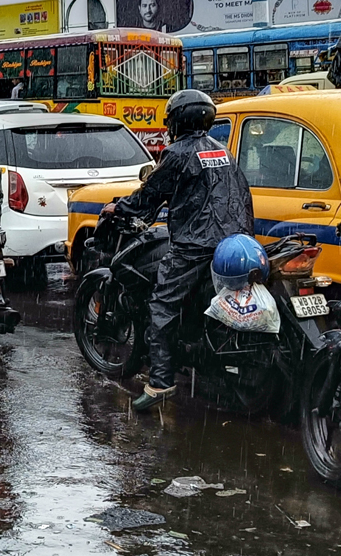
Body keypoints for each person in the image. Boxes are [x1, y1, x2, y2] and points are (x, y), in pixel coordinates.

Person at [101, 89, 255, 409]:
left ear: (176, 121)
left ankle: (160, 383)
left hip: (194, 248)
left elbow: (150, 195)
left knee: (160, 308)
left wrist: (120, 209)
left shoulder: (177, 153)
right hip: (234, 242)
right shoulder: (221, 151)